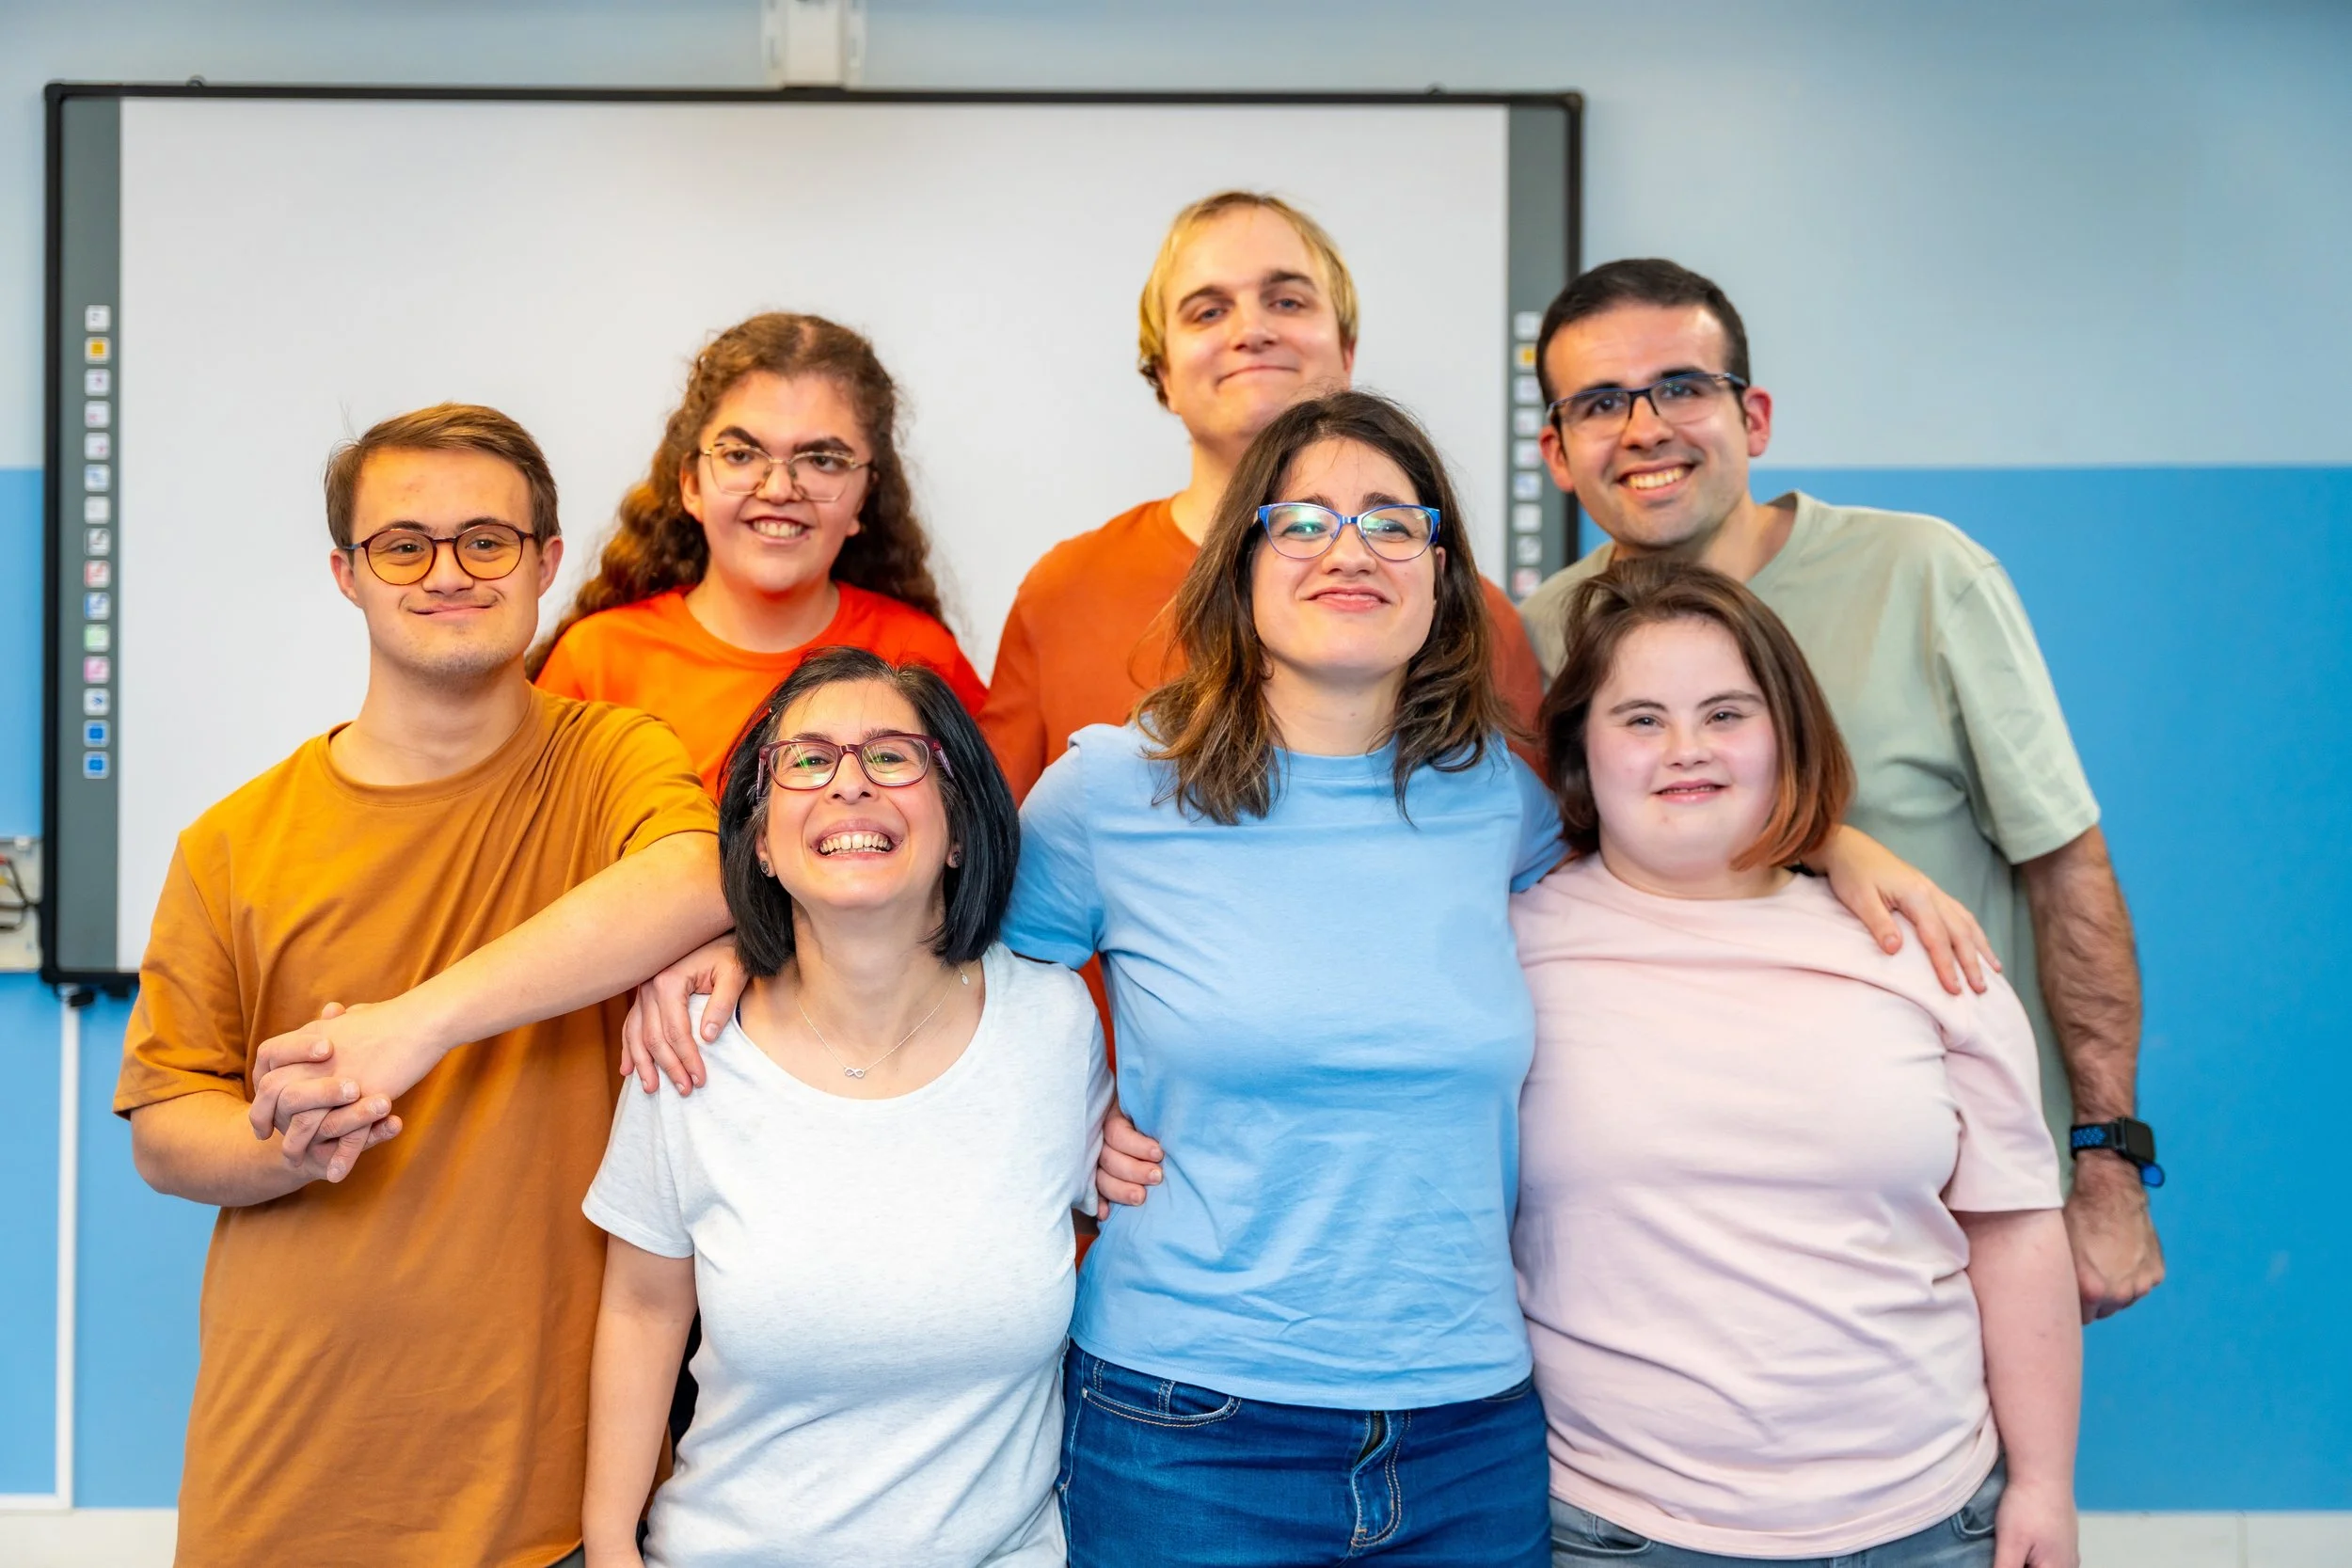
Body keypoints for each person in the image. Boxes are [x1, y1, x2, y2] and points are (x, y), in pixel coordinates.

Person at [1010, 390, 1992, 1568]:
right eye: (1304, 521)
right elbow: (982, 994)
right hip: (1189, 1418)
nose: (1350, 549)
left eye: (1391, 520)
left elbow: (1670, 842)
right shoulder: (1114, 792)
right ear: (1242, 567)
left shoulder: (1499, 800)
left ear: (1439, 580)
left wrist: (1838, 838)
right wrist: (1073, 1124)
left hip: (1472, 1427)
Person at [115, 404, 730, 1568]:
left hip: (546, 1495)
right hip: (286, 1477)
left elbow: (697, 874)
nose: (447, 571)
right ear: (347, 574)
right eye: (404, 545)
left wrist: (414, 1025)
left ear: (547, 562)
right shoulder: (233, 841)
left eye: (486, 540)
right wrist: (283, 1145)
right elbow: (162, 1126)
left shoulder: (612, 760)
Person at [1514, 258, 2163, 1323]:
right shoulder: (1543, 638)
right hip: (1678, 1241)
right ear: (1556, 452)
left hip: (1958, 1217)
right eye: (1598, 403)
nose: (1643, 428)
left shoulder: (1924, 575)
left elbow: (2064, 868)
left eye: (1681, 386)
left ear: (1751, 415)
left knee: (1994, 1491)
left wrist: (2106, 1161)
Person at [1515, 558, 2078, 1568]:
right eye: (1640, 718)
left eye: (1725, 712)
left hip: (1929, 1520)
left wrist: (2042, 1483)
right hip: (1618, 1526)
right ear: (1578, 750)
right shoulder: (1505, 955)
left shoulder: (1924, 947)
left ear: (1787, 732)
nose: (1685, 749)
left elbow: (2015, 1228)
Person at [580, 648, 1109, 1567]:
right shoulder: (687, 1042)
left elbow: (1125, 1202)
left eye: (893, 756)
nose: (850, 784)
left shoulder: (1054, 1026)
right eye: (808, 760)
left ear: (956, 826)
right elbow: (640, 1307)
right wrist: (609, 1544)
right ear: (760, 841)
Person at [978, 189, 1545, 800]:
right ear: (1164, 375)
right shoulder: (1064, 592)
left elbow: (1524, 864)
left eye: (1287, 300)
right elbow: (990, 849)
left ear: (1347, 352)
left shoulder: (1461, 612)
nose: (1252, 330)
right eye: (1207, 312)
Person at [534, 312, 986, 794]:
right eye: (741, 455)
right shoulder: (596, 662)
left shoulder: (923, 655)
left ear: (864, 497)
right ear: (690, 484)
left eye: (822, 461)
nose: (778, 489)